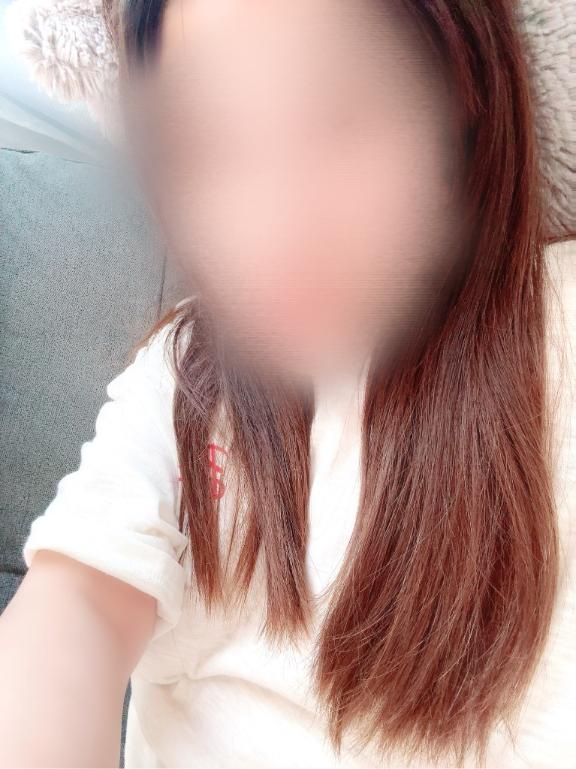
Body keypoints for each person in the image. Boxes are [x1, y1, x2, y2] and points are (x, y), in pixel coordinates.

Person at [0, 0, 575, 766]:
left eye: (340, 117)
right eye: (207, 145)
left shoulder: (558, 330)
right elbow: (75, 608)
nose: (277, 227)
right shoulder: (187, 376)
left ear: (464, 96)